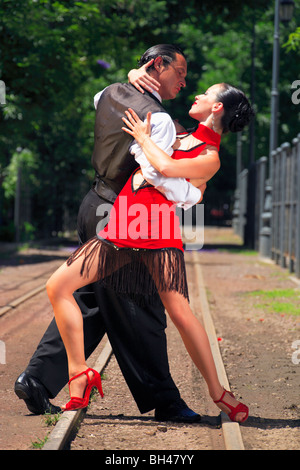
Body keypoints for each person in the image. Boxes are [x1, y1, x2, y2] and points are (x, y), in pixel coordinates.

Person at [45, 82, 254, 422]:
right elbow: (173, 180)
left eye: (207, 93)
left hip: (153, 226)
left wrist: (143, 141)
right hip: (127, 221)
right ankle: (79, 373)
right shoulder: (180, 135)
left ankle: (218, 392)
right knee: (59, 287)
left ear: (217, 108)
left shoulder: (209, 157)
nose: (198, 94)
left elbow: (169, 171)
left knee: (181, 313)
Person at [15, 44, 202, 422]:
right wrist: (191, 194)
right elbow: (156, 175)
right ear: (157, 65)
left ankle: (36, 380)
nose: (184, 81)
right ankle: (165, 400)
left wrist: (132, 78)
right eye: (179, 72)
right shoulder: (160, 121)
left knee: (92, 299)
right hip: (124, 215)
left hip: (93, 204)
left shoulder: (110, 93)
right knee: (141, 302)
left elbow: (101, 95)